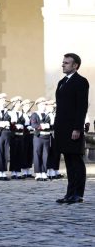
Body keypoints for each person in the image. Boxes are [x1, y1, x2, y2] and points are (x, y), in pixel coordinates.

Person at [54, 53, 89, 204]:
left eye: (67, 63)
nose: (63, 65)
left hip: (73, 129)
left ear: (75, 65)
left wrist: (77, 128)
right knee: (68, 162)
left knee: (76, 162)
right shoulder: (62, 82)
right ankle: (69, 193)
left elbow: (81, 107)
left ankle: (78, 194)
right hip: (62, 129)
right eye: (63, 62)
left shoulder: (81, 81)